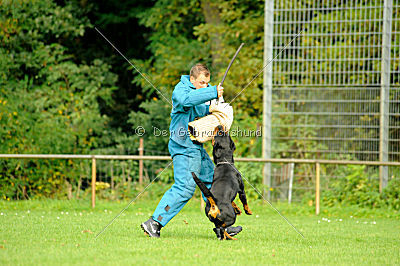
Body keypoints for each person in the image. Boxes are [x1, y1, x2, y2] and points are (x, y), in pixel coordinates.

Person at [140, 63, 242, 238]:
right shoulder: (180, 91)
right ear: (192, 79)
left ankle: (222, 226)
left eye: (207, 83)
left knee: (212, 182)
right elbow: (187, 101)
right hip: (183, 147)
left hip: (196, 146)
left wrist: (216, 108)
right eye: (202, 82)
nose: (205, 86)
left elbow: (200, 108)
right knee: (185, 187)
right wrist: (211, 93)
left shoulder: (197, 92)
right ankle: (154, 222)